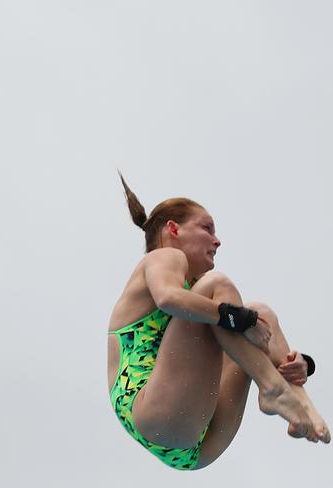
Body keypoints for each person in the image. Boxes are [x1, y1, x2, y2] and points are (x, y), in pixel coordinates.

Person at [107, 173, 329, 470]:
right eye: (206, 228)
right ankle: (275, 390)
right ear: (172, 229)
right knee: (220, 290)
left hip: (197, 444)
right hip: (151, 411)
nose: (217, 240)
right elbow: (168, 297)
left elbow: (242, 340)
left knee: (262, 314)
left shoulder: (196, 301)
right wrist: (237, 317)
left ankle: (300, 404)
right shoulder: (163, 258)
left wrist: (299, 363)